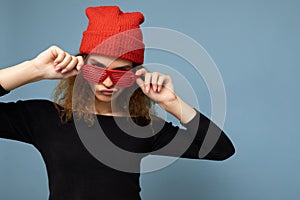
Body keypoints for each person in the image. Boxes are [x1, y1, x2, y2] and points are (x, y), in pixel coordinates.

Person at [0, 5, 235, 200]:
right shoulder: (46, 118)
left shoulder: (142, 127)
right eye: (97, 70)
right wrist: (34, 70)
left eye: (120, 73)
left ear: (135, 76)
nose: (107, 83)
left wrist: (172, 102)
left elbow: (220, 149)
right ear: (80, 67)